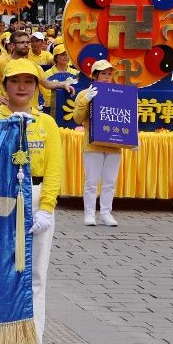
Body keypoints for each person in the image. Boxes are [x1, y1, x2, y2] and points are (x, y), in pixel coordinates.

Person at [0, 59, 60, 344]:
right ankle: (3, 342)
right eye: (16, 81)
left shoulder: (47, 123)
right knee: (4, 271)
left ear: (36, 87)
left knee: (35, 275)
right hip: (2, 198)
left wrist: (46, 209)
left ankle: (29, 343)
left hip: (37, 194)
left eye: (29, 82)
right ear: (5, 86)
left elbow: (55, 169)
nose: (22, 87)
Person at [73, 60, 121, 227]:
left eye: (109, 74)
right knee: (92, 180)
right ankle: (89, 213)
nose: (107, 77)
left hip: (114, 144)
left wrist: (131, 139)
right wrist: (85, 100)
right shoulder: (85, 94)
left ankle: (106, 213)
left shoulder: (118, 92)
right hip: (93, 142)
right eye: (103, 73)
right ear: (94, 75)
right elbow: (77, 119)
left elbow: (124, 117)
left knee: (110, 181)